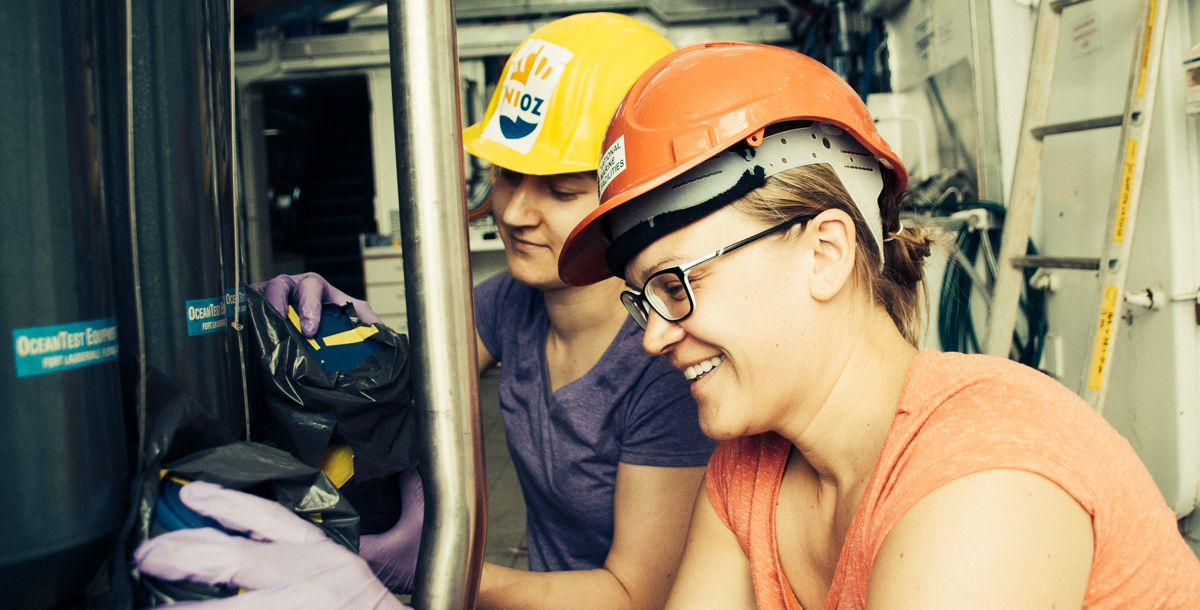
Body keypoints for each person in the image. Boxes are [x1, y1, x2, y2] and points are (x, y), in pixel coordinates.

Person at [555, 41, 1200, 609]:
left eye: (676, 285)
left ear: (825, 253)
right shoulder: (747, 474)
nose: (653, 336)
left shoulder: (981, 468)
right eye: (643, 300)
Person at [136, 13, 715, 610]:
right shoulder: (508, 304)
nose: (514, 213)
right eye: (507, 176)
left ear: (639, 197)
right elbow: (398, 393)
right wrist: (331, 335)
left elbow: (634, 596)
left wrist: (443, 567)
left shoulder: (665, 365)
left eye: (562, 190)